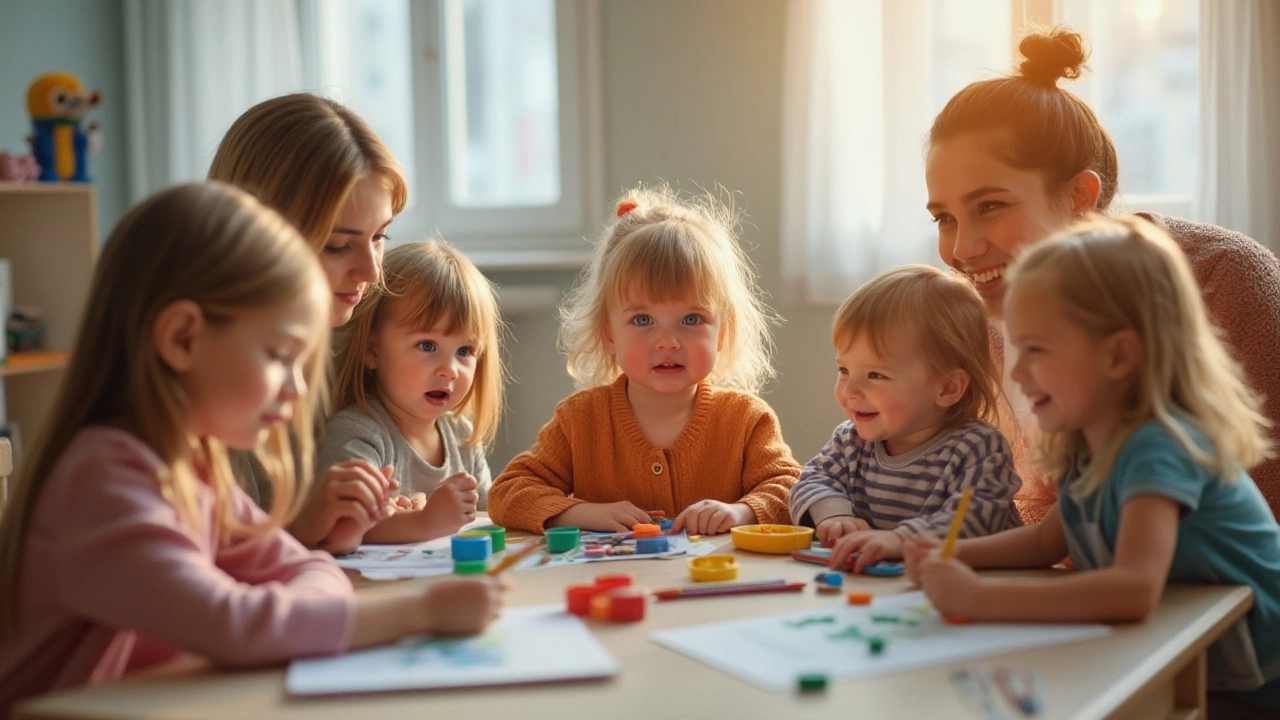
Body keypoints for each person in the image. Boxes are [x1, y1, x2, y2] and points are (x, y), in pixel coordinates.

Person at [0, 183, 505, 715]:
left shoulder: (194, 471)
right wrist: (418, 612)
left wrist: (305, 586)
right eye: (277, 355)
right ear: (182, 339)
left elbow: (308, 570)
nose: (297, 388)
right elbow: (236, 626)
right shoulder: (103, 482)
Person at [909, 217, 1280, 716]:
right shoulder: (1089, 443)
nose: (1016, 372)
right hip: (1197, 654)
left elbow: (1132, 590)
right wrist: (953, 556)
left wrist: (980, 598)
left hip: (1261, 676)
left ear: (1118, 356)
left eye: (1036, 350)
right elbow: (1045, 542)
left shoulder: (1158, 444)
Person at [924, 27, 1280, 523]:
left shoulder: (1223, 279)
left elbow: (1264, 512)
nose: (961, 250)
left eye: (990, 206)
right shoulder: (978, 316)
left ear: (1080, 197)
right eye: (944, 218)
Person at [488, 185, 800, 534]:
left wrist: (741, 512)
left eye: (692, 320)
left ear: (723, 332)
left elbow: (793, 490)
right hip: (612, 587)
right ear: (608, 333)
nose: (668, 341)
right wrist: (580, 513)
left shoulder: (746, 420)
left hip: (711, 586)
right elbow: (507, 493)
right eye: (642, 320)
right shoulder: (580, 421)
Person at [208, 93, 412, 550]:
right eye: (338, 245)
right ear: (257, 233)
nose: (372, 273)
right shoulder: (211, 374)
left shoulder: (353, 338)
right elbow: (223, 568)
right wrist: (309, 523)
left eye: (380, 237)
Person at [789, 265, 1021, 573]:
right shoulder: (850, 440)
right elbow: (811, 480)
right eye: (844, 370)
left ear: (947, 387)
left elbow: (972, 521)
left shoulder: (978, 448)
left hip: (986, 594)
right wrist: (832, 514)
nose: (850, 390)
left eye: (876, 375)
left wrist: (900, 540)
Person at [321, 241, 503, 545]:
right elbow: (340, 526)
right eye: (427, 346)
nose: (450, 370)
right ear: (372, 349)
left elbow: (489, 515)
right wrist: (424, 522)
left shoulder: (463, 437)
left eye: (464, 351)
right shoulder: (356, 435)